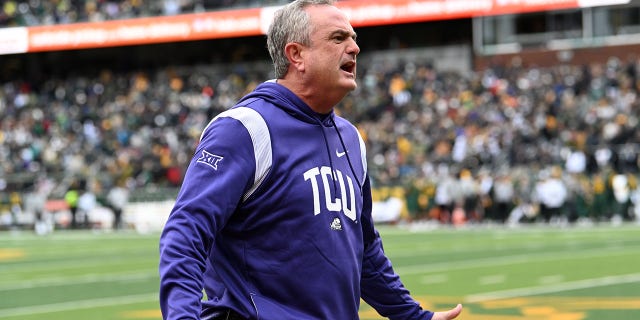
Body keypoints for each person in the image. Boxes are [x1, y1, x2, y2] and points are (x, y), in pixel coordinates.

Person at [158, 1, 463, 319]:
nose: (354, 48)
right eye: (338, 38)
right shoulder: (245, 129)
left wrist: (413, 316)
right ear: (296, 55)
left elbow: (365, 250)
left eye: (354, 38)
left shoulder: (352, 140)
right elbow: (186, 231)